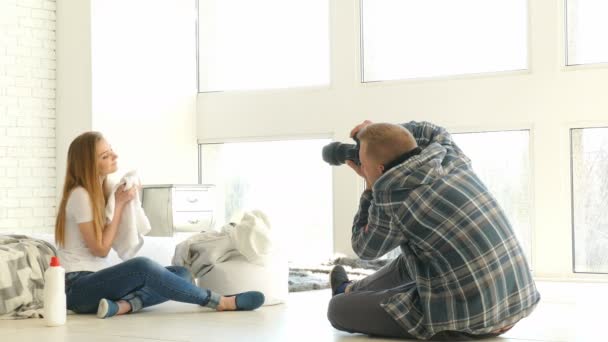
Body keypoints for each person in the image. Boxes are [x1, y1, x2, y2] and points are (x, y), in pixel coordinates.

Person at [327, 121, 540, 340]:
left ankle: (345, 297)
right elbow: (430, 130)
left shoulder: (391, 195)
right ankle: (349, 289)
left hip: (469, 319)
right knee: (413, 258)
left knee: (337, 309)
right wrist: (377, 133)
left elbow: (364, 247)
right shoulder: (447, 155)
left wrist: (370, 188)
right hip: (517, 302)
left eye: (363, 163)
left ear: (380, 169)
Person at [55, 132, 265, 318]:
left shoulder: (102, 190)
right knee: (143, 266)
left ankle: (122, 306)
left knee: (182, 274)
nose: (114, 156)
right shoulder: (80, 195)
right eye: (105, 156)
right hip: (77, 288)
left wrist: (127, 195)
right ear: (89, 164)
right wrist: (119, 205)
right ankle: (219, 301)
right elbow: (100, 250)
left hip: (97, 282)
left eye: (111, 151)